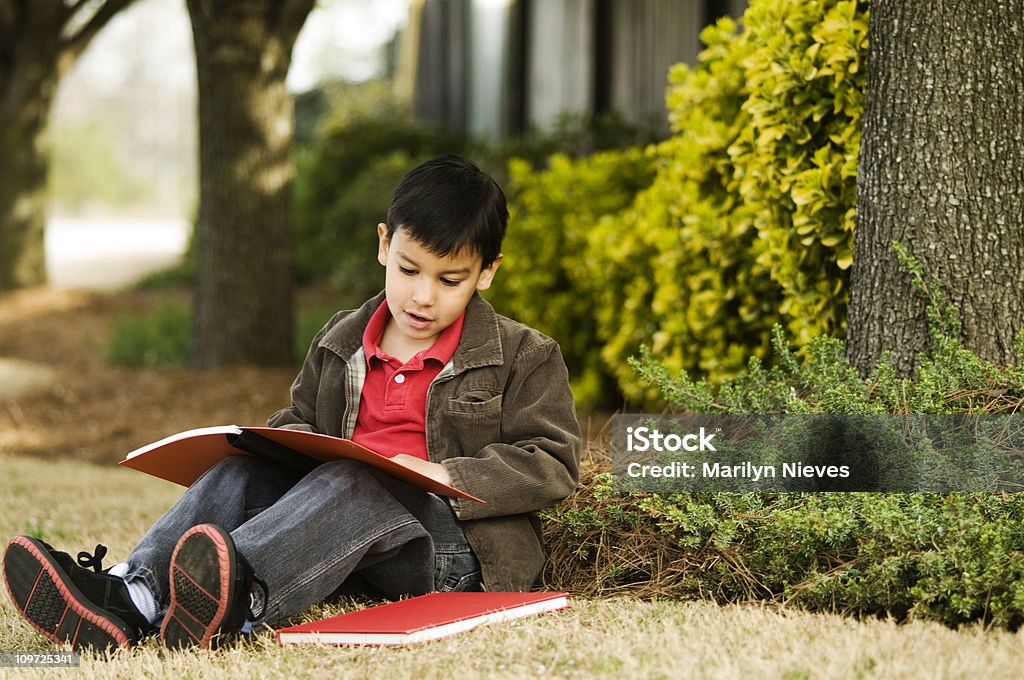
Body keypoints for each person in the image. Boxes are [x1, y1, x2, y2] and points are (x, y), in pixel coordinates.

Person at [2, 154, 581, 651]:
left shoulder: (524, 355)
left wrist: (439, 472)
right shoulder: (339, 340)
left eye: (449, 280)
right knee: (241, 471)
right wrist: (272, 444)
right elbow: (303, 424)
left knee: (360, 480)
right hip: (343, 540)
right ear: (384, 245)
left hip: (451, 553)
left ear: (487, 273)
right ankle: (131, 600)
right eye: (408, 270)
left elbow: (553, 463)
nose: (422, 295)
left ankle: (239, 594)